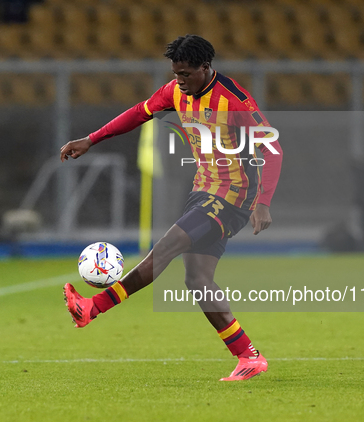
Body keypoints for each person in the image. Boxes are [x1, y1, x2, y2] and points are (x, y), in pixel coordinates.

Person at [60, 35, 283, 381]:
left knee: (162, 250)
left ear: (205, 68)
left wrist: (263, 203)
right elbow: (138, 113)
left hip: (232, 197)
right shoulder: (176, 91)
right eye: (175, 73)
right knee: (197, 280)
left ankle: (93, 307)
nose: (179, 80)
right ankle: (249, 357)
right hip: (203, 191)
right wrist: (91, 139)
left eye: (186, 74)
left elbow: (273, 150)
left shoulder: (235, 100)